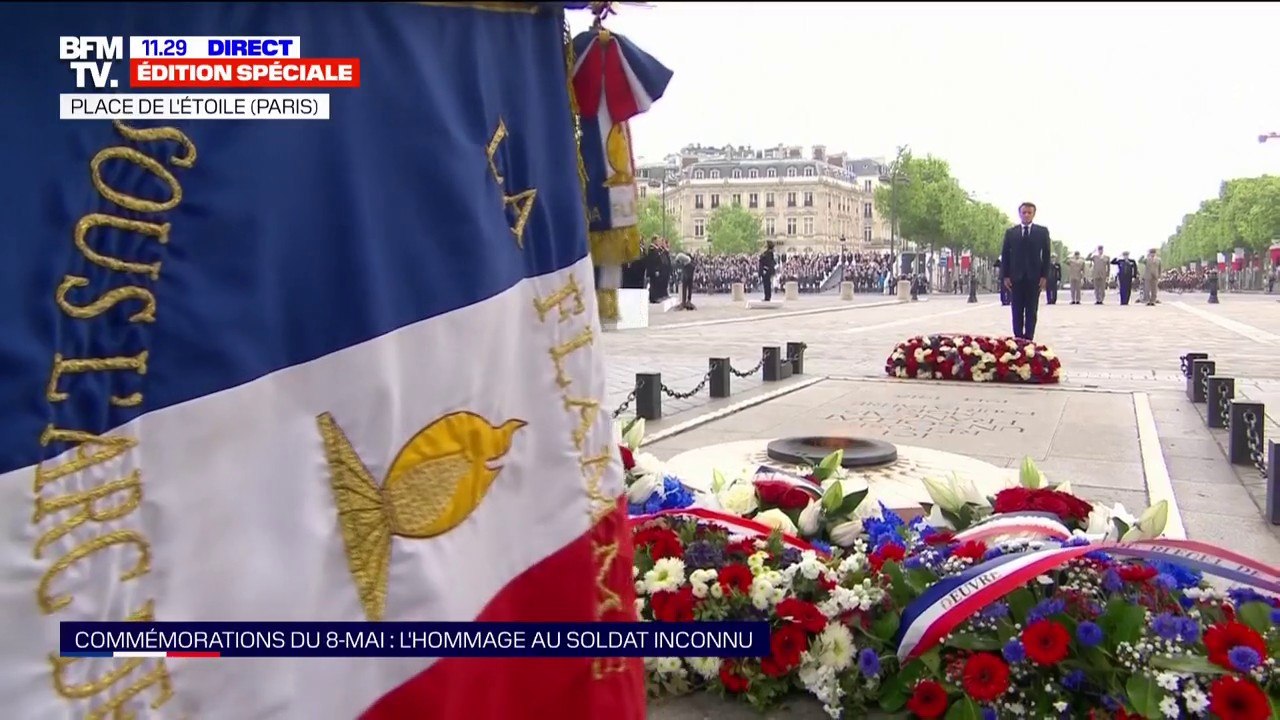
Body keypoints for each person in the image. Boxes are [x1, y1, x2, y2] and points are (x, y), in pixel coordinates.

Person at [1000, 202, 1052, 341]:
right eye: (1024, 212)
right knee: (1016, 310)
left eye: (1029, 212)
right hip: (1015, 278)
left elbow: (1046, 255)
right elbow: (1005, 254)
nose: (1026, 215)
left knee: (1031, 311)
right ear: (1020, 214)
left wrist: (1044, 276)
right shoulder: (1011, 233)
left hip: (1034, 278)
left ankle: (1029, 339)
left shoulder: (1042, 232)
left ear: (1034, 214)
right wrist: (1005, 276)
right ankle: (1018, 339)